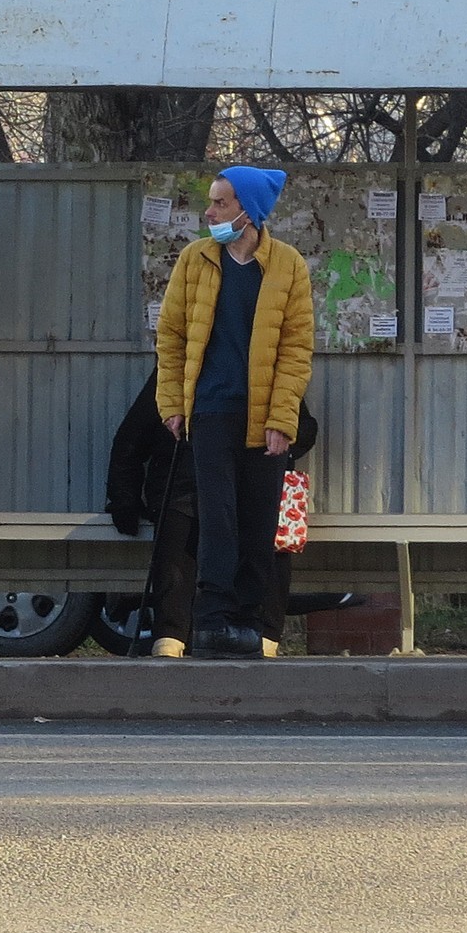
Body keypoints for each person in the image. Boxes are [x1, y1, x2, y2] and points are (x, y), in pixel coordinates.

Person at [154, 165, 314, 659]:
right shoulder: (195, 260)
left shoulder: (287, 266)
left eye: (220, 203)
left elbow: (295, 349)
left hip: (264, 415)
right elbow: (172, 335)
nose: (210, 212)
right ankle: (212, 621)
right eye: (211, 202)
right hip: (210, 411)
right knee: (217, 518)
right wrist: (173, 404)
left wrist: (282, 420)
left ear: (248, 210)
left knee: (258, 519)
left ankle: (248, 622)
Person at [107, 372, 316, 657]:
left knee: (179, 549)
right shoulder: (268, 373)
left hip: (185, 487)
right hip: (212, 488)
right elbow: (304, 428)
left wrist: (124, 500)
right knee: (258, 543)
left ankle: (172, 636)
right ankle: (261, 635)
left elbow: (132, 437)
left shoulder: (179, 372)